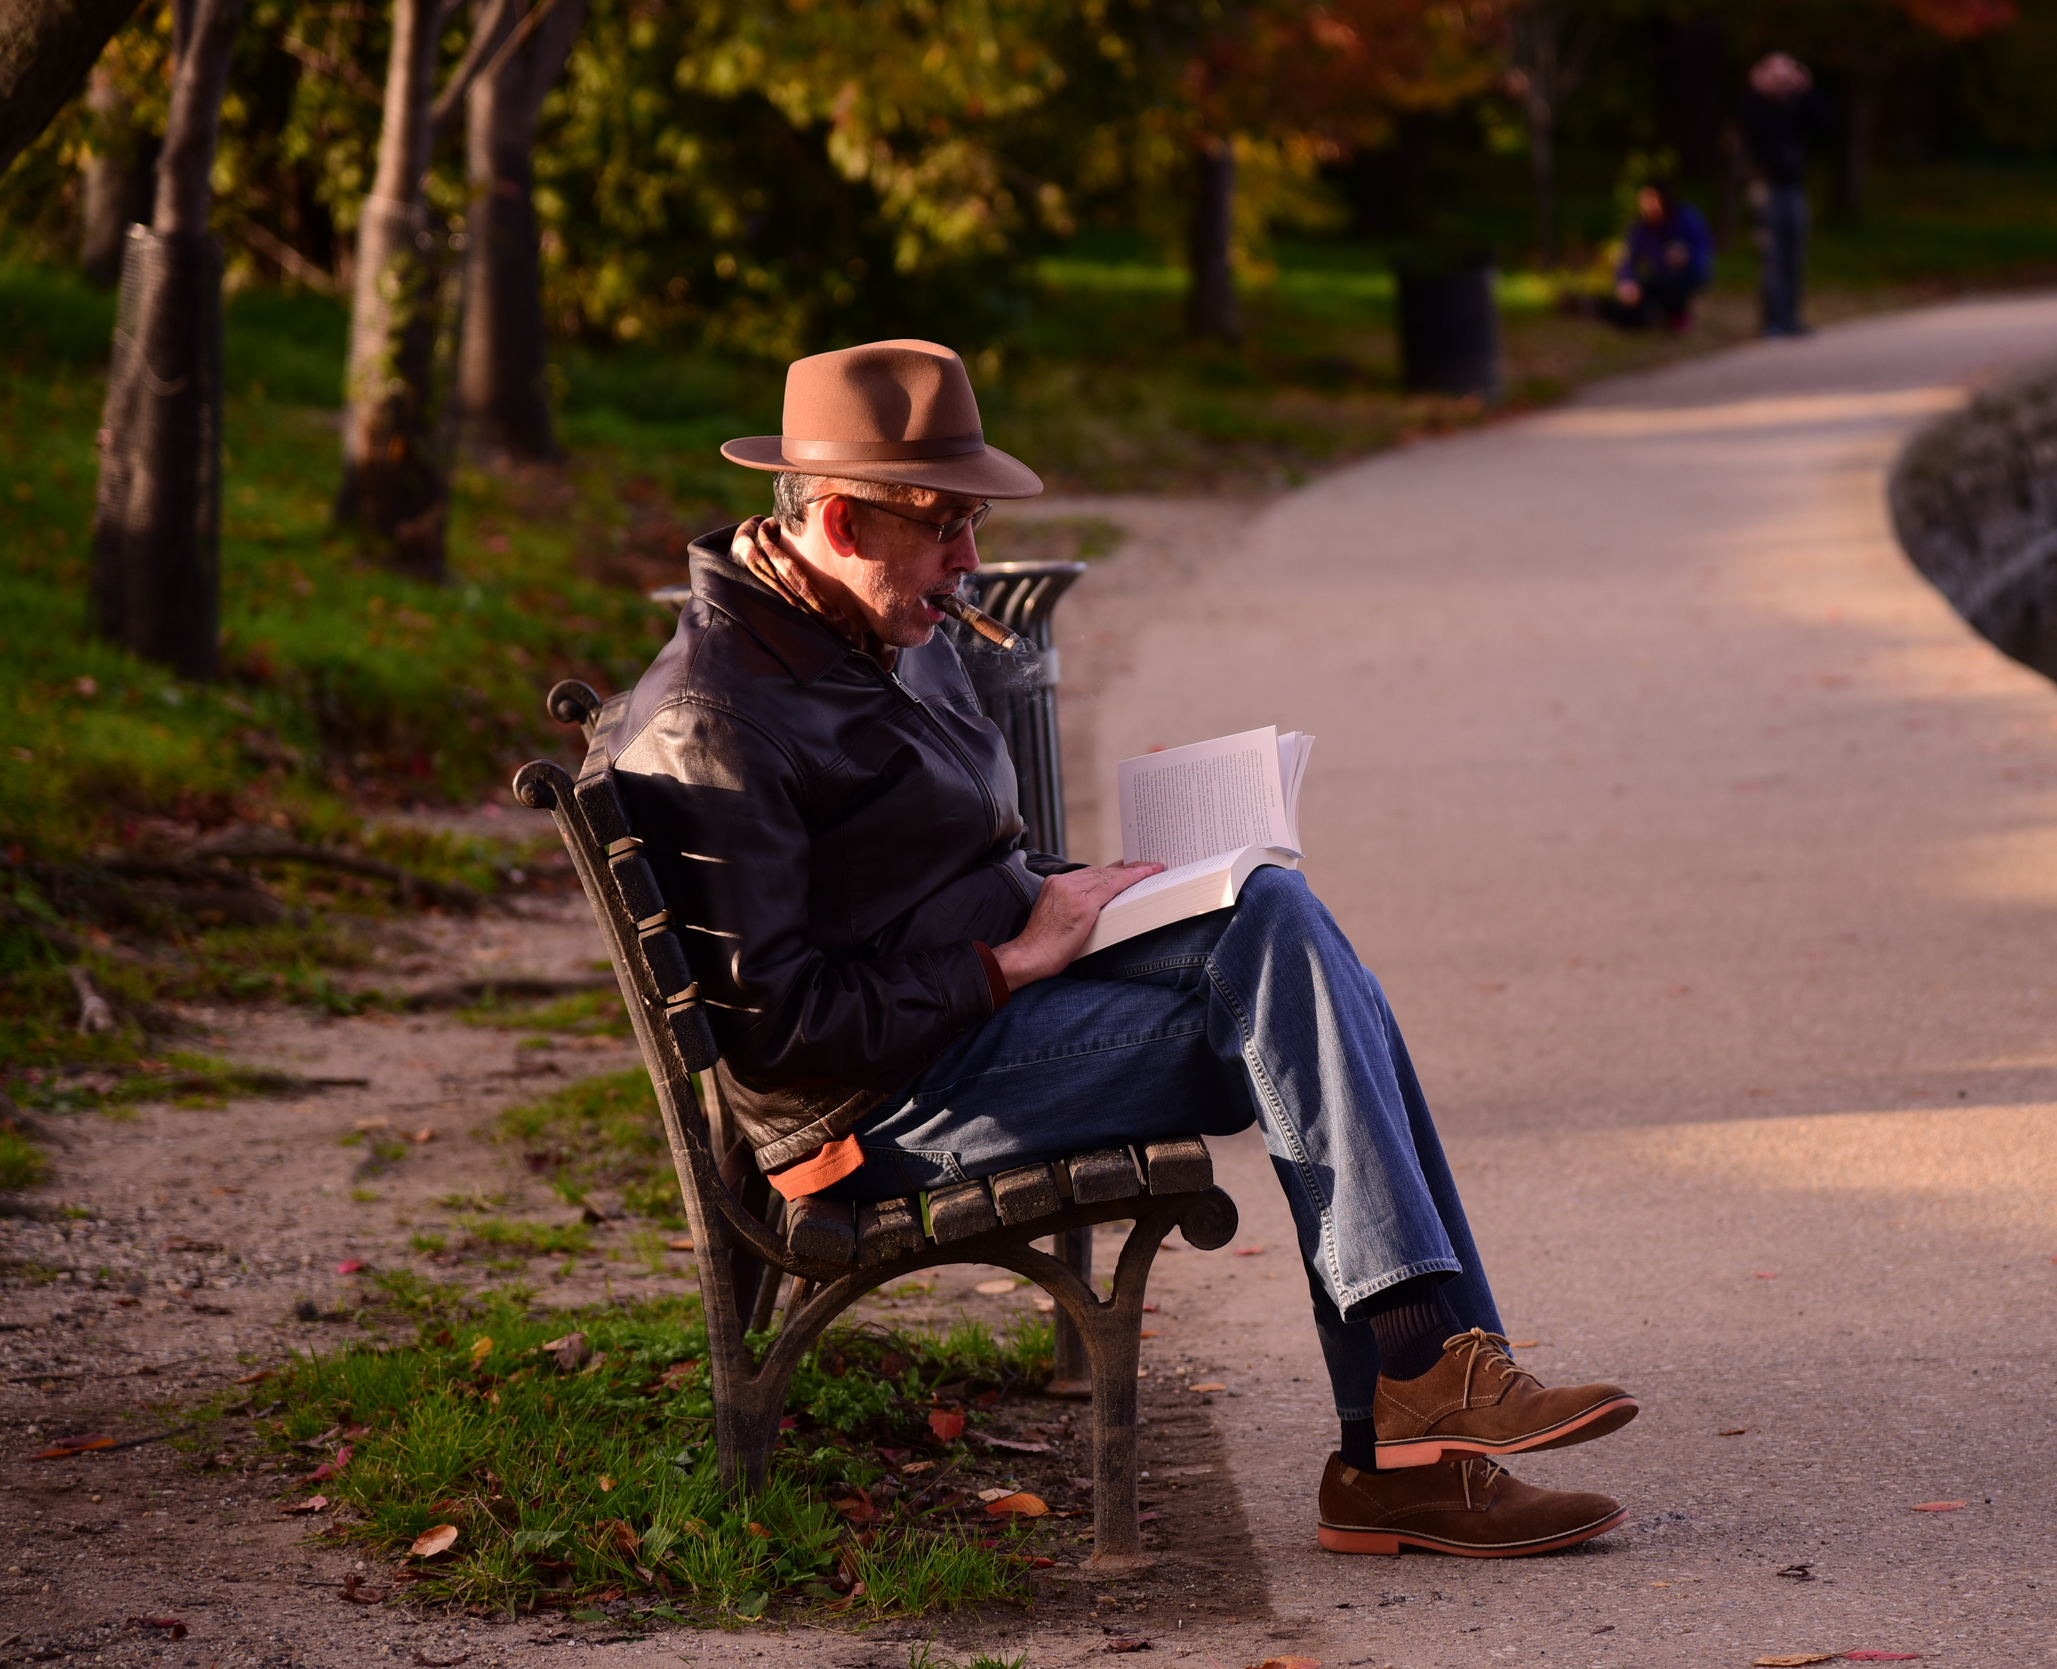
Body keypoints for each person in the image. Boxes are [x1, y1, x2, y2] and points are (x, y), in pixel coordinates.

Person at [595, 339, 1641, 1558]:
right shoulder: (718, 717)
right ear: (839, 519)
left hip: (979, 1023)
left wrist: (1078, 891)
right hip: (875, 1111)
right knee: (1315, 994)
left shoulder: (870, 622)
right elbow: (784, 1029)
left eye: (975, 523)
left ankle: (1420, 1403)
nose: (970, 560)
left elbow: (921, 861)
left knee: (1283, 924)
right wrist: (1009, 962)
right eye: (947, 526)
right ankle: (1411, 1417)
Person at [1738, 51, 1831, 339]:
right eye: (1775, 73)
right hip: (1766, 188)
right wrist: (1756, 91)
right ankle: (1773, 320)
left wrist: (1807, 90)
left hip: (1794, 188)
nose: (1781, 80)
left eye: (1786, 73)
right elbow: (1745, 126)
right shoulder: (1756, 106)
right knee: (1772, 256)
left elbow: (1828, 125)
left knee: (1795, 255)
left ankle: (1791, 318)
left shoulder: (1798, 105)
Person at [1600, 179, 1714, 332]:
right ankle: (1595, 306)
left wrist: (1687, 255)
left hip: (1687, 275)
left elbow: (1704, 246)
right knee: (1633, 302)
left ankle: (1676, 315)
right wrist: (1627, 281)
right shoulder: (1640, 227)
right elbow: (1628, 259)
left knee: (1670, 285)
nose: (1646, 204)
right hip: (1658, 277)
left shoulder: (1684, 217)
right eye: (1643, 200)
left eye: (1651, 199)